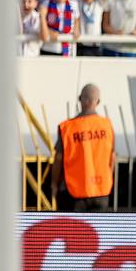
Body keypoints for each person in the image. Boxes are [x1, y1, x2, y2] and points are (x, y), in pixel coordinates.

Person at [51, 83, 116, 212]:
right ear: (98, 101)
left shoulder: (67, 128)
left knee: (73, 232)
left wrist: (54, 184)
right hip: (101, 191)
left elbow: (58, 158)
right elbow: (112, 158)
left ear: (80, 98)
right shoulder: (107, 126)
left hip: (73, 192)